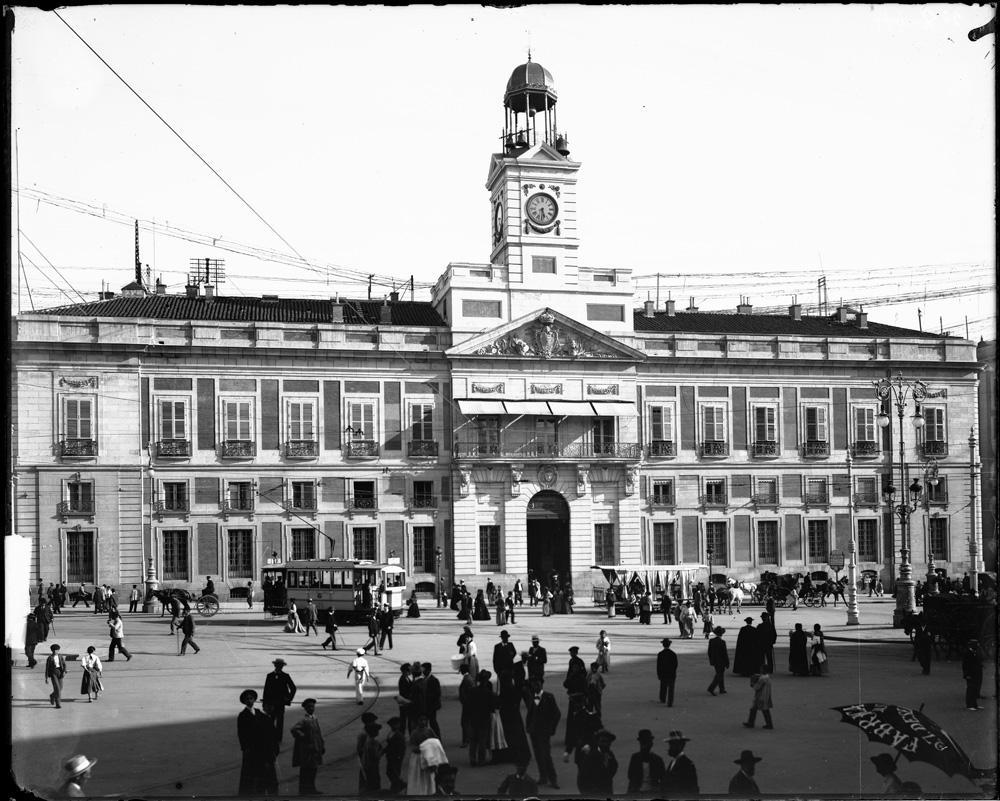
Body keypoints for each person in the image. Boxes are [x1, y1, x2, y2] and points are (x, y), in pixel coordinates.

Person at [237, 689, 279, 795]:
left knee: (265, 771)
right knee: (252, 773)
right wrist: (245, 748)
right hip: (252, 749)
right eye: (247, 699)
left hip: (263, 747)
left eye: (251, 698)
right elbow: (241, 734)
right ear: (244, 701)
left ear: (254, 699)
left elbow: (268, 724)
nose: (249, 701)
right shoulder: (242, 715)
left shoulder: (259, 712)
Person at [525, 678, 561, 789]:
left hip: (544, 732)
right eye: (533, 685)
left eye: (537, 684)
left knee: (546, 755)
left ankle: (553, 779)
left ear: (541, 684)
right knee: (538, 755)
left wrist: (552, 729)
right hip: (534, 731)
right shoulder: (532, 697)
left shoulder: (549, 697)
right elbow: (530, 713)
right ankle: (543, 777)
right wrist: (528, 726)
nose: (535, 686)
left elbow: (557, 714)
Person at [291, 698, 325, 795]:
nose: (311, 708)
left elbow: (319, 733)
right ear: (305, 709)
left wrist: (322, 745)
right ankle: (304, 789)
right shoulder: (304, 720)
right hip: (308, 750)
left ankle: (311, 788)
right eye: (309, 707)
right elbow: (294, 729)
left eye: (312, 706)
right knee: (306, 770)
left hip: (315, 748)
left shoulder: (314, 718)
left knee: (313, 769)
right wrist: (303, 737)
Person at [575, 728, 618, 795]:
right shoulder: (591, 756)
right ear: (597, 742)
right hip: (593, 791)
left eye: (608, 741)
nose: (605, 744)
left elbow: (613, 769)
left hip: (606, 790)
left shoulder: (610, 755)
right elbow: (582, 777)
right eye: (602, 741)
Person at [263, 658, 297, 741]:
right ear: (275, 665)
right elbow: (266, 690)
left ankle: (278, 738)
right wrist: (265, 702)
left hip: (280, 703)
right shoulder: (269, 675)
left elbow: (293, 688)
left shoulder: (285, 676)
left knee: (280, 721)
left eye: (281, 666)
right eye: (278, 665)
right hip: (271, 703)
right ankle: (271, 736)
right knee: (270, 720)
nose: (279, 667)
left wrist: (288, 698)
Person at [468, 669, 496, 766]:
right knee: (482, 741)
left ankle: (472, 759)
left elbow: (468, 705)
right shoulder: (489, 693)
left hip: (473, 718)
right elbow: (493, 707)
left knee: (473, 741)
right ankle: (481, 760)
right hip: (484, 719)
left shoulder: (472, 691)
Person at [627, 729, 665, 795]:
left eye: (647, 742)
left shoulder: (657, 760)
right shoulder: (635, 758)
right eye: (643, 742)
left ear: (651, 744)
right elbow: (631, 776)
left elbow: (663, 778)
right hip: (637, 793)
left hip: (653, 793)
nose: (645, 745)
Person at [661, 731, 699, 796]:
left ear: (681, 745)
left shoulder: (687, 764)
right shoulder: (672, 762)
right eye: (670, 744)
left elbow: (692, 789)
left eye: (673, 744)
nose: (670, 747)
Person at [359, 721, 384, 793]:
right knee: (375, 785)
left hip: (366, 766)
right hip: (372, 766)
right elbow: (376, 756)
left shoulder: (367, 740)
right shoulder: (373, 742)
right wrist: (383, 751)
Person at [385, 716, 407, 794]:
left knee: (394, 772)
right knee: (389, 772)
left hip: (396, 757)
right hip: (390, 756)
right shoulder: (390, 733)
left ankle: (396, 786)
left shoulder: (399, 735)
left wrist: (399, 756)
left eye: (395, 724)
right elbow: (388, 745)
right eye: (392, 725)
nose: (393, 726)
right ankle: (398, 784)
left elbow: (402, 748)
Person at [422, 663, 443, 739]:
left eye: (424, 669)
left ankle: (437, 738)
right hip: (425, 705)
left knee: (433, 723)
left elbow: (437, 693)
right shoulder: (424, 679)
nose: (423, 671)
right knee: (426, 723)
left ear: (429, 670)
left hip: (431, 706)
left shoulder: (433, 680)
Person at [707, 626, 729, 695]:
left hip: (714, 660)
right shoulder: (722, 642)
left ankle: (722, 689)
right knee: (719, 675)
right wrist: (727, 663)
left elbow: (709, 652)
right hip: (721, 661)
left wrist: (711, 660)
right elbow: (724, 654)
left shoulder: (711, 641)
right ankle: (711, 688)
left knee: (719, 674)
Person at [962, 639, 983, 710]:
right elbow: (965, 665)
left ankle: (974, 704)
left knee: (975, 689)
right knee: (970, 689)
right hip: (971, 674)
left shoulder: (974, 652)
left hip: (976, 673)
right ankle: (970, 705)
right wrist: (966, 674)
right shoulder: (967, 653)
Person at [657, 637, 678, 706]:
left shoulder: (660, 654)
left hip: (663, 673)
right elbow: (675, 664)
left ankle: (662, 698)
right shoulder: (673, 654)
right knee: (671, 688)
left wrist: (659, 674)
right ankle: (670, 702)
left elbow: (658, 666)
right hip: (671, 673)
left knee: (663, 686)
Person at [45, 644, 67, 708]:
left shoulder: (60, 656)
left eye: (56, 650)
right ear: (51, 650)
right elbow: (47, 668)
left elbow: (64, 664)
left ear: (58, 650)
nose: (55, 652)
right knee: (57, 689)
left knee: (60, 688)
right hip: (53, 673)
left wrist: (64, 671)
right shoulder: (49, 658)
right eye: (54, 650)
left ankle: (52, 695)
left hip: (60, 672)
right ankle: (58, 703)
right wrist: (46, 678)